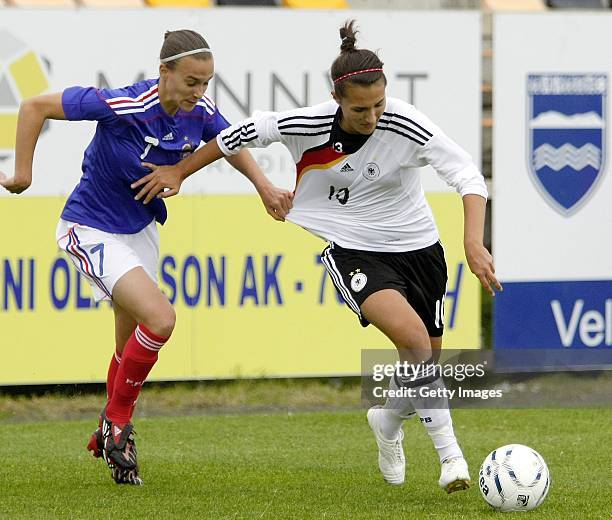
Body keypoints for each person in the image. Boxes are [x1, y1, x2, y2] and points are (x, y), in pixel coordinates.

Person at [131, 21, 502, 492]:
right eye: (360, 109)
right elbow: (234, 136)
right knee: (412, 340)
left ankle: (387, 423)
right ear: (338, 99)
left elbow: (468, 176)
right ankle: (452, 459)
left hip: (421, 250)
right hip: (355, 251)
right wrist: (180, 171)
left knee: (423, 360)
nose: (371, 118)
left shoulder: (406, 122)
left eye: (379, 106)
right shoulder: (307, 123)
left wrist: (473, 242)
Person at [0, 29, 292, 486]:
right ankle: (117, 425)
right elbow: (36, 105)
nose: (200, 92)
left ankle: (111, 425)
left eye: (206, 82)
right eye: (192, 82)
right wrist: (23, 173)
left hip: (140, 232)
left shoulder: (200, 112)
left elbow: (230, 142)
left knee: (128, 344)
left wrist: (265, 187)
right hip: (89, 227)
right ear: (164, 72)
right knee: (161, 320)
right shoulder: (123, 105)